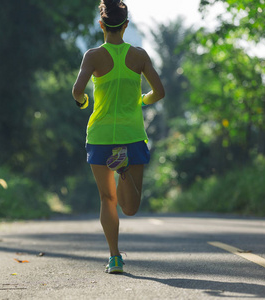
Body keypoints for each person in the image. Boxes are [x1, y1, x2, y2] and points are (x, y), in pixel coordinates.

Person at [72, 0, 165, 274]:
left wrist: (84, 102)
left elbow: (77, 91)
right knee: (131, 207)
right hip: (131, 134)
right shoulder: (139, 56)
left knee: (107, 199)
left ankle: (114, 257)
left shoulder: (92, 56)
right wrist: (143, 101)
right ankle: (122, 172)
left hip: (100, 135)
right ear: (126, 25)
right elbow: (159, 92)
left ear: (102, 25)